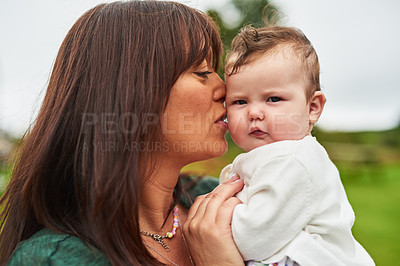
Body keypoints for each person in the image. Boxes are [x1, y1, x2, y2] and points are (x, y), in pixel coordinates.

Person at [0, 1, 245, 265]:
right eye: (202, 71)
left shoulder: (225, 198)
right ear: (130, 92)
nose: (225, 88)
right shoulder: (56, 259)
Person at [220, 25, 375, 266]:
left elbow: (252, 239)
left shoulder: (293, 160)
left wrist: (218, 211)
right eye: (240, 101)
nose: (254, 112)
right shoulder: (271, 158)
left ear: (312, 107)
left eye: (273, 99)